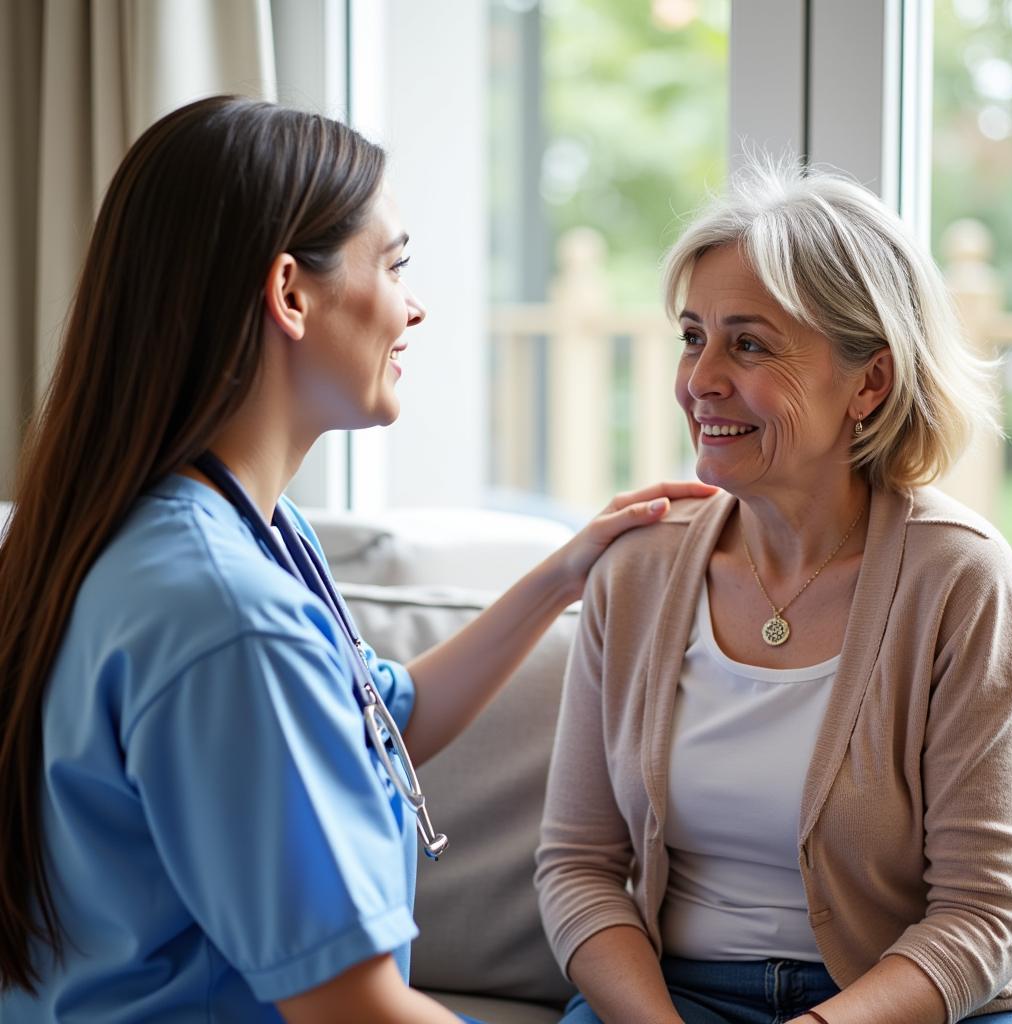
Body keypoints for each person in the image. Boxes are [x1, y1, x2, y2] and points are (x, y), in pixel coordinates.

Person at [0, 95, 715, 1023]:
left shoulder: (187, 528)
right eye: (396, 263)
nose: (414, 307)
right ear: (291, 292)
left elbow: (385, 719)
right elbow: (354, 1008)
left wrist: (561, 573)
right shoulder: (227, 617)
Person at [535, 161, 1012, 1024]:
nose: (701, 380)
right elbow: (576, 864)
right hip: (675, 998)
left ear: (868, 383)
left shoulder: (959, 578)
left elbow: (984, 916)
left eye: (749, 344)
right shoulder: (638, 568)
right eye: (694, 337)